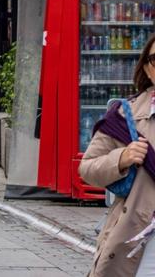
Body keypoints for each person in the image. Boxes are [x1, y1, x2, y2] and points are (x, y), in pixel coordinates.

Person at [79, 34, 155, 276]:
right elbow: (87, 168)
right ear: (147, 69)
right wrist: (121, 158)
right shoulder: (125, 116)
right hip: (140, 241)